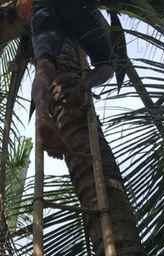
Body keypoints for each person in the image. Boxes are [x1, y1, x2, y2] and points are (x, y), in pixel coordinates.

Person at [27, 0, 114, 158]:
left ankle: (42, 114)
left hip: (42, 5)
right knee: (107, 65)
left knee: (44, 64)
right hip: (78, 6)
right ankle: (81, 88)